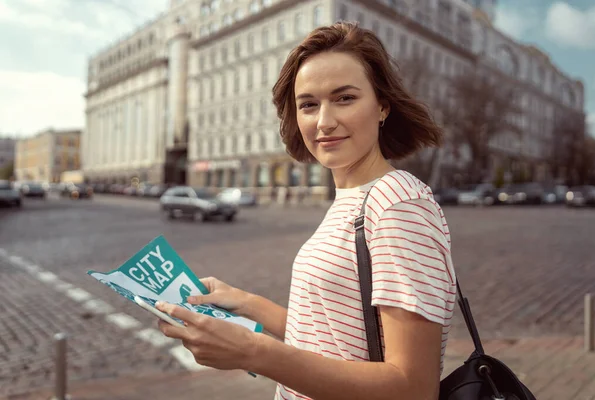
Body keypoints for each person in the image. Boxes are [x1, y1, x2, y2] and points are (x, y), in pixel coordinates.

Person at [156, 22, 456, 400]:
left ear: (382, 106)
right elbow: (331, 337)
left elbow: (412, 388)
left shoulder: (399, 203)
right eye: (309, 104)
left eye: (344, 98)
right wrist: (246, 303)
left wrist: (255, 352)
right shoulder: (354, 198)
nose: (324, 121)